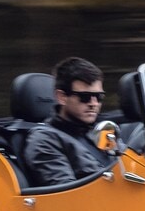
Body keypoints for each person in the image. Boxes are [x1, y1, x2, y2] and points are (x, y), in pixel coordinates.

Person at [23, 56, 110, 187]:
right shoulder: (44, 140)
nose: (94, 104)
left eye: (99, 97)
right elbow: (67, 195)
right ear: (62, 97)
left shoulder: (102, 130)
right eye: (85, 97)